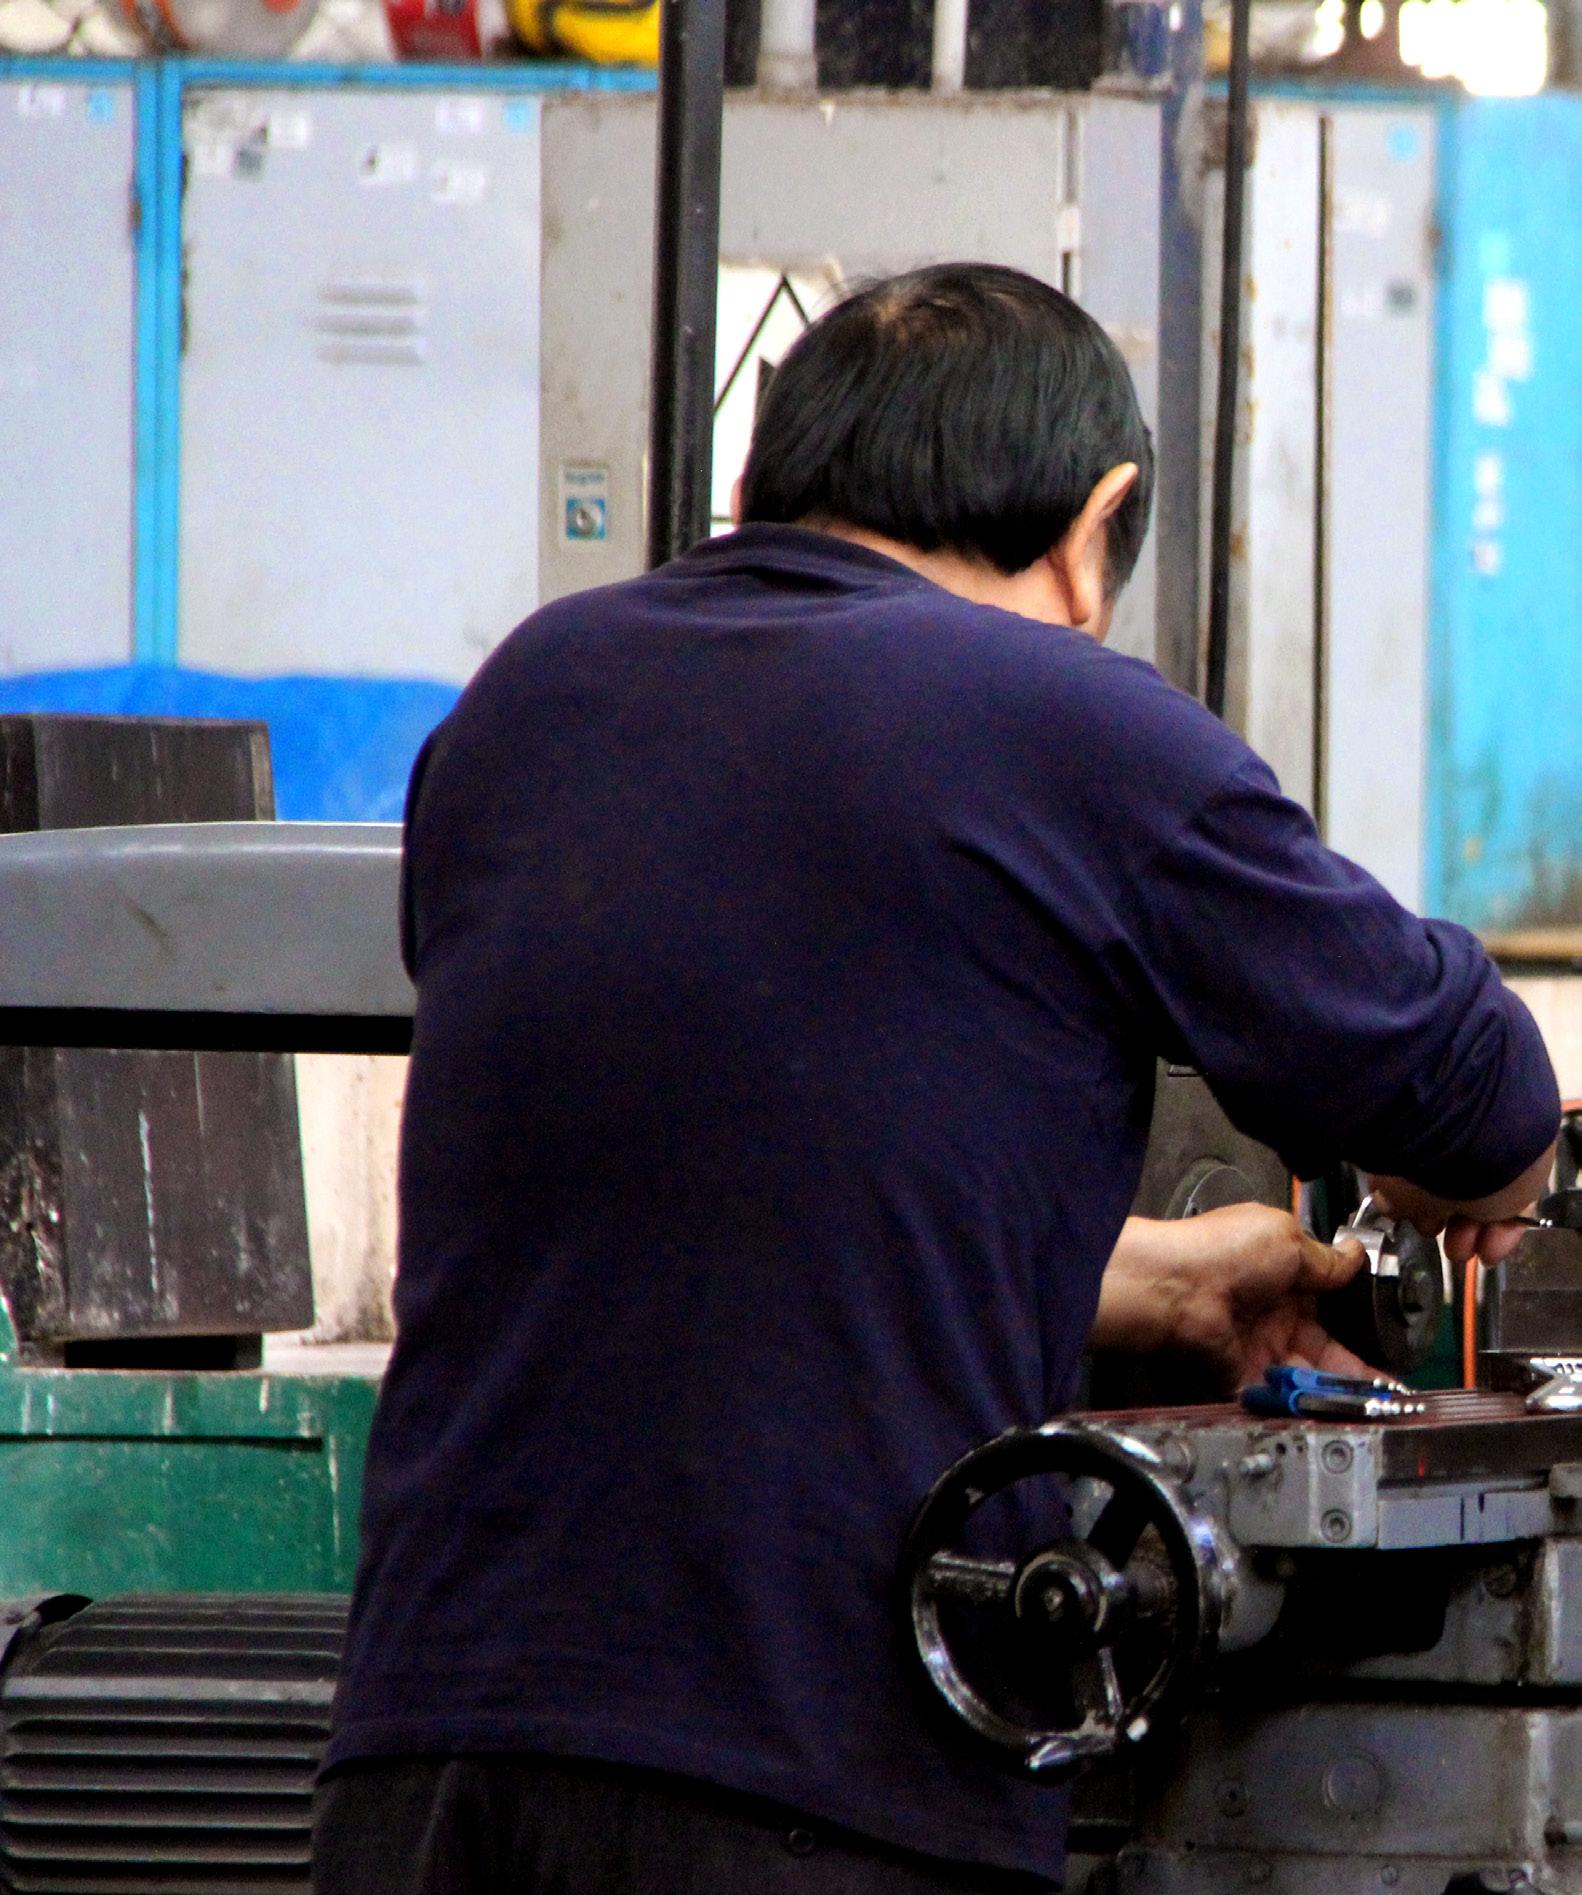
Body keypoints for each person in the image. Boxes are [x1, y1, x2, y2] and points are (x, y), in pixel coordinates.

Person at [316, 264, 1558, 1895]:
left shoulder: (520, 709)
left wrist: (1160, 1285)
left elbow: (710, 1167)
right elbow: (1471, 1094)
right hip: (810, 1780)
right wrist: (1473, 1176)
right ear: (1095, 524)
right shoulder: (1067, 723)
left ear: (777, 476)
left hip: (428, 1755)